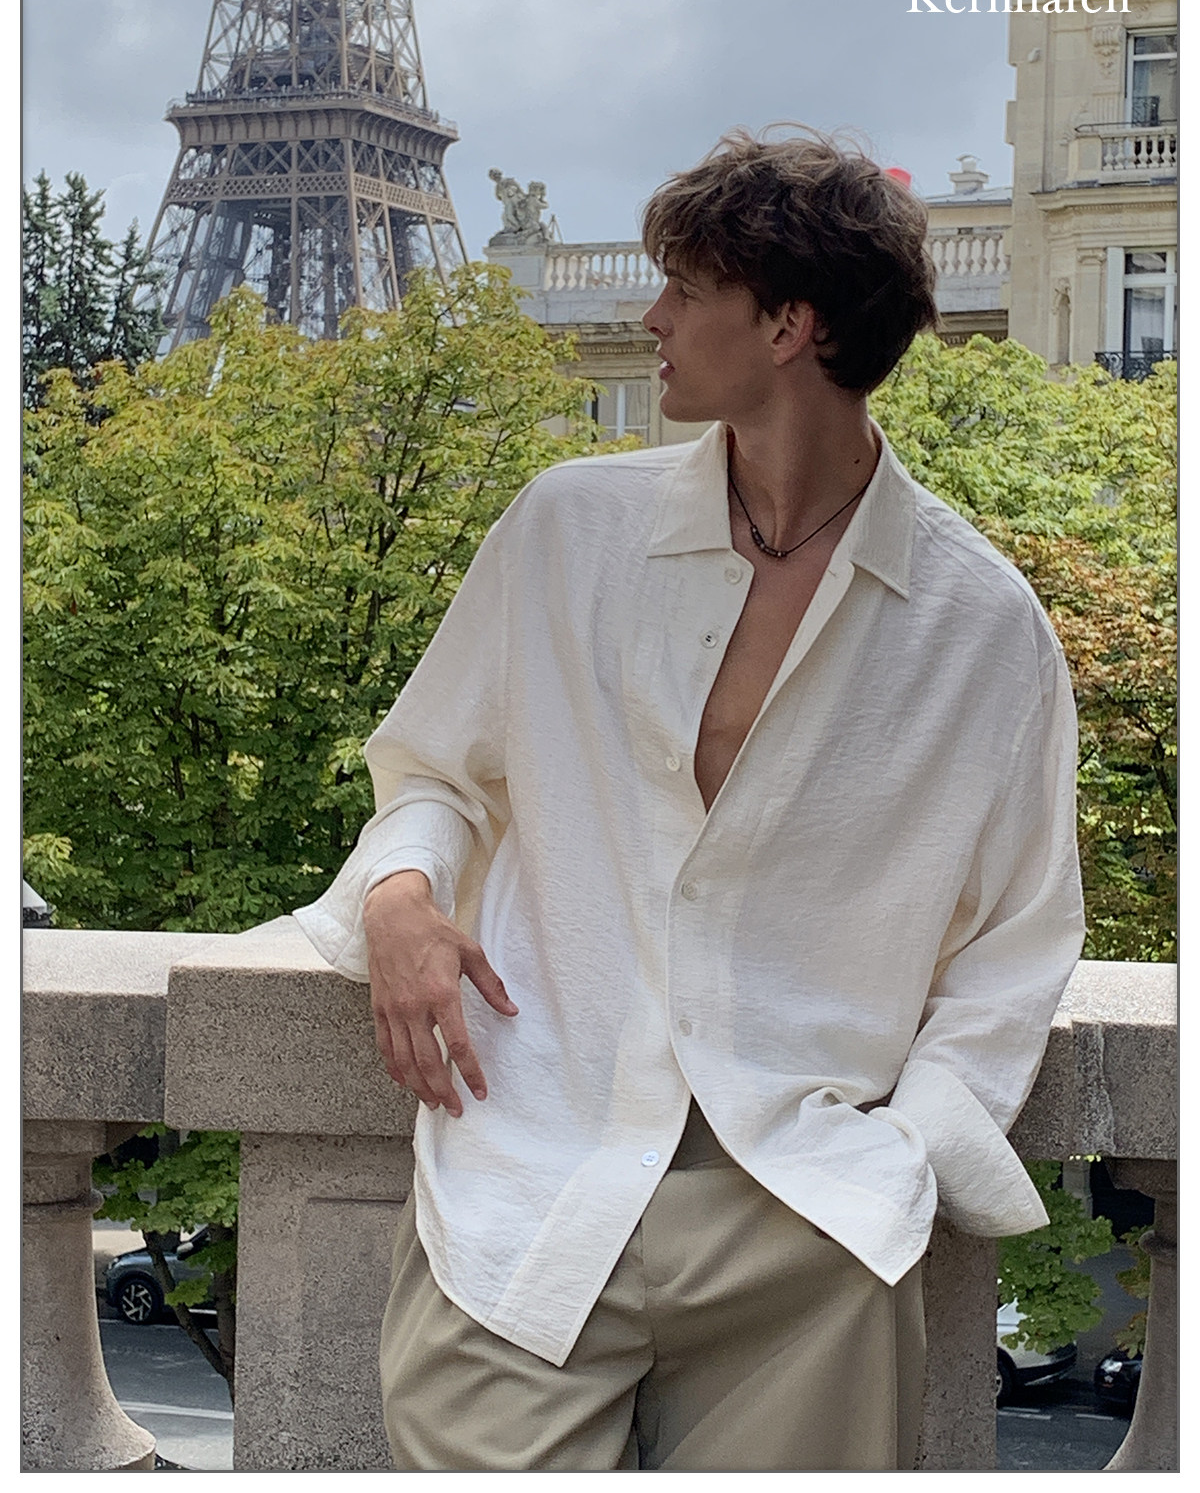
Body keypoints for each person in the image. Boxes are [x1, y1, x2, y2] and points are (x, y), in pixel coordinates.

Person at [294, 127, 1085, 1472]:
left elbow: (1019, 941)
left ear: (788, 325)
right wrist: (401, 895)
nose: (648, 315)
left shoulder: (983, 629)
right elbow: (434, 771)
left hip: (803, 1215)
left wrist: (907, 1159)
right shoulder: (566, 530)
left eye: (685, 288)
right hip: (533, 1170)